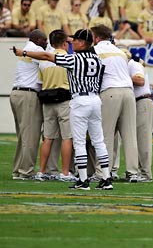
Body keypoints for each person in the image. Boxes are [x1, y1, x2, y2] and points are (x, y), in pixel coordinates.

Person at [12, 29, 113, 190]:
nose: (72, 42)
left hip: (80, 100)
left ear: (82, 42)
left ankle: (83, 180)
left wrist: (23, 52)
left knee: (79, 142)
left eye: (75, 40)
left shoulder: (74, 59)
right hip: (95, 99)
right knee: (98, 140)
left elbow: (47, 56)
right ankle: (106, 178)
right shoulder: (97, 59)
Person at [90, 25, 139, 182]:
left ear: (96, 38)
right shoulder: (119, 51)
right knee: (130, 136)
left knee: (106, 135)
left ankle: (102, 173)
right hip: (128, 93)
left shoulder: (95, 50)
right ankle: (133, 173)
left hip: (110, 92)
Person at [34, 30, 75, 182]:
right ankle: (65, 172)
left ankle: (42, 171)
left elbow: (40, 83)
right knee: (67, 137)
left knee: (48, 138)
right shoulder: (69, 59)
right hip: (64, 100)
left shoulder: (44, 62)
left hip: (48, 100)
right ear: (65, 43)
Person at [9, 30, 47, 180]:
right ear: (38, 39)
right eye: (44, 41)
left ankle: (18, 170)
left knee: (23, 136)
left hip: (16, 93)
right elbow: (47, 58)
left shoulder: (26, 47)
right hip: (28, 95)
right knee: (31, 136)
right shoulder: (36, 50)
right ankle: (26, 172)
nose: (46, 44)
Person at [128, 53, 153, 182]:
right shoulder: (133, 65)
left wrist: (124, 77)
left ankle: (145, 173)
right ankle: (139, 171)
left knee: (143, 140)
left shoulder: (133, 65)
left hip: (142, 102)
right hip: (138, 102)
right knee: (138, 139)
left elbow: (140, 81)